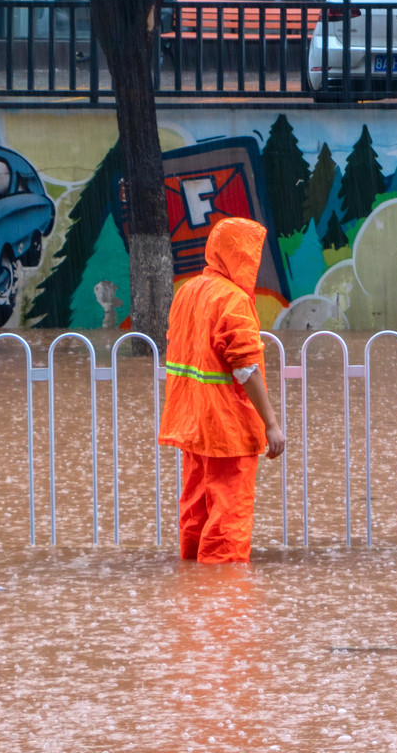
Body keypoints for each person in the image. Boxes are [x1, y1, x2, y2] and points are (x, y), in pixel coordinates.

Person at [158, 215, 287, 563]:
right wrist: (271, 424)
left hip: (190, 423)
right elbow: (245, 367)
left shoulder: (187, 292)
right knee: (228, 518)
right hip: (227, 428)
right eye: (252, 255)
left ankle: (193, 591)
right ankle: (222, 600)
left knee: (196, 508)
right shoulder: (232, 300)